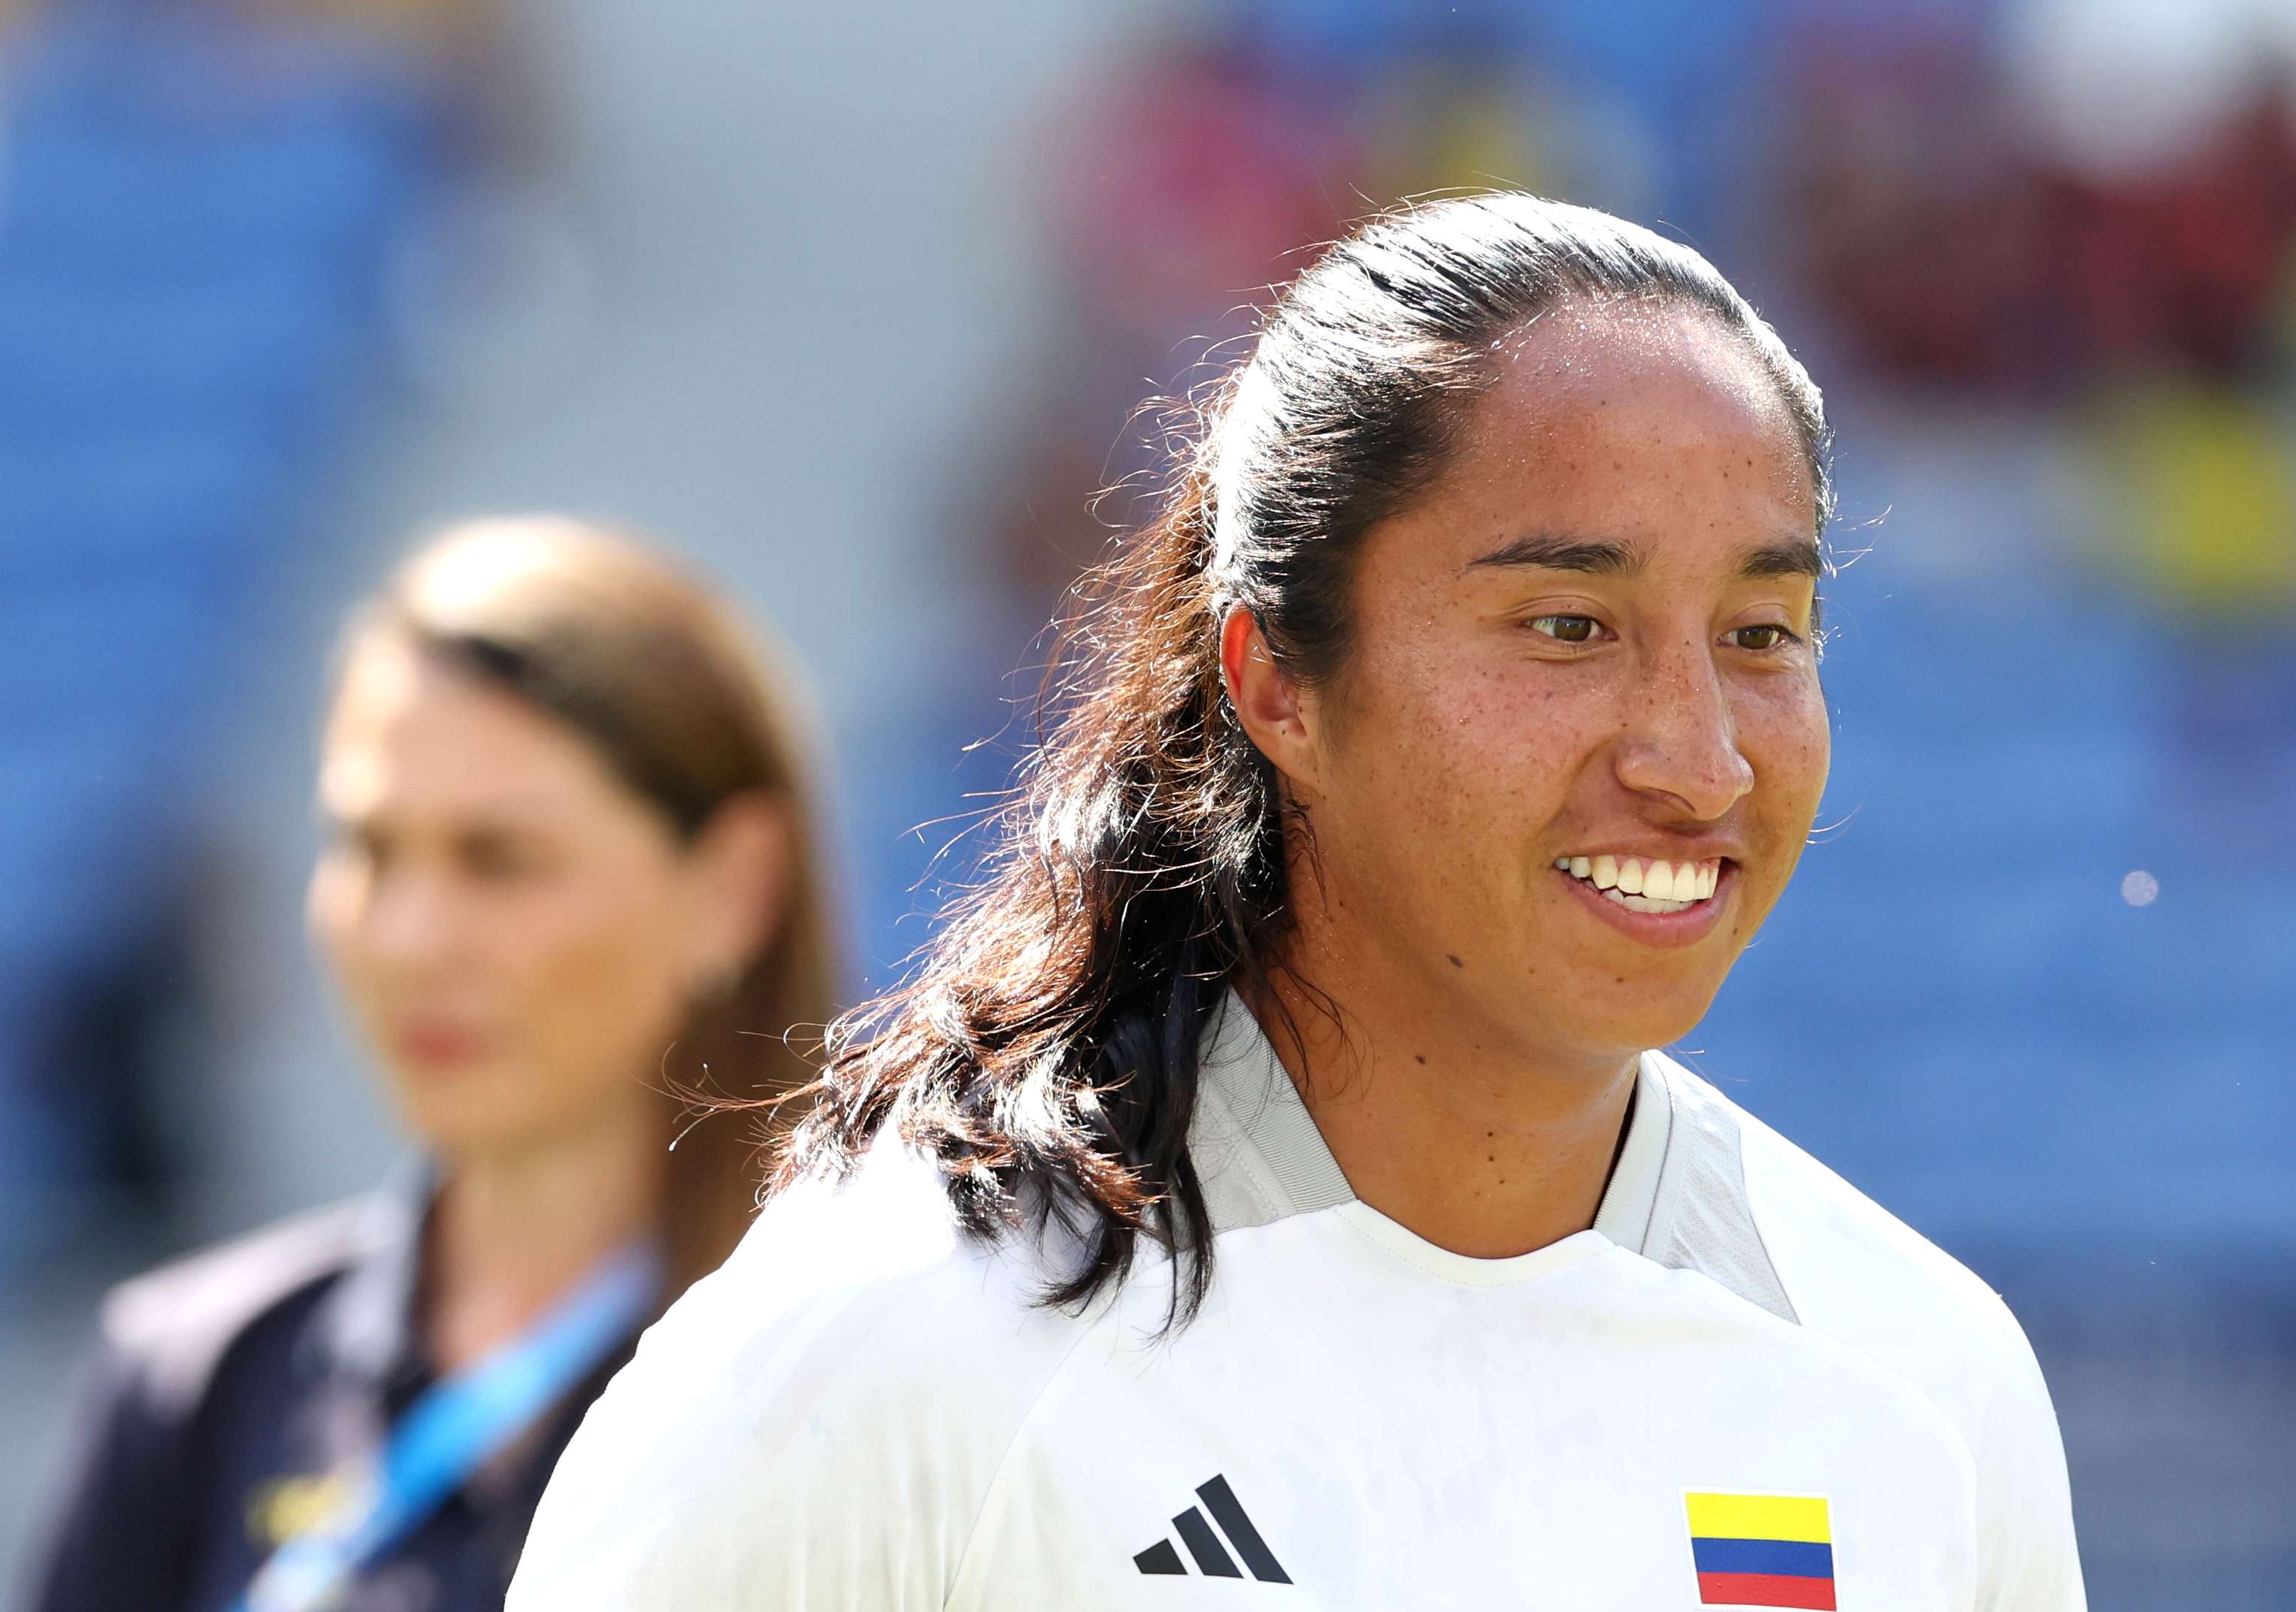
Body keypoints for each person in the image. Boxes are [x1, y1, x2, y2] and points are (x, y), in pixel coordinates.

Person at [513, 195, 2086, 1611]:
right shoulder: (896, 1347)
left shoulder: (1920, 1384)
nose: (1697, 759)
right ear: (1279, 682)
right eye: (1565, 623)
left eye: (1763, 633)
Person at [19, 519, 844, 1612]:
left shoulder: (855, 1373)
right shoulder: (199, 1379)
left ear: (733, 887)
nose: (408, 939)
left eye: (501, 861)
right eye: (367, 850)